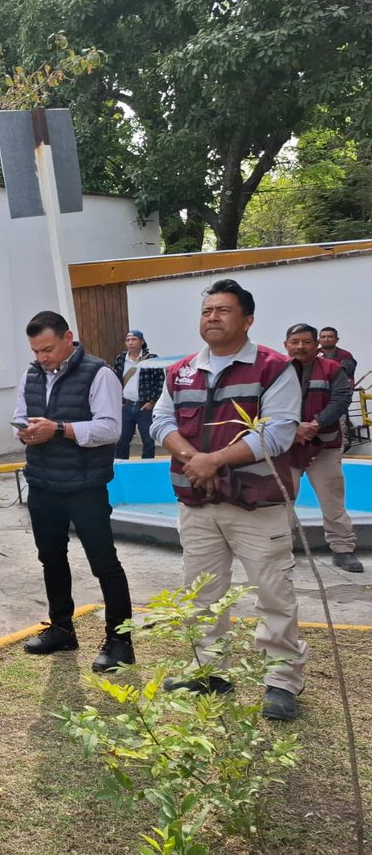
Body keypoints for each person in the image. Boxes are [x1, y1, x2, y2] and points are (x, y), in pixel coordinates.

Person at [152, 278, 307, 721]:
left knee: (273, 592)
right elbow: (161, 421)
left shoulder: (273, 368)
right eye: (207, 311)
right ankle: (207, 671)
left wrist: (214, 459)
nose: (212, 317)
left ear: (247, 319)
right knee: (201, 593)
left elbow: (277, 432)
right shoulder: (181, 370)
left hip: (258, 505)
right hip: (198, 504)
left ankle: (281, 680)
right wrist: (193, 459)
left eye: (223, 310)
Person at [15, 312, 133, 672]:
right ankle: (62, 627)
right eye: (36, 351)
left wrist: (59, 429)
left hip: (85, 486)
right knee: (51, 558)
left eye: (47, 349)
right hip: (43, 484)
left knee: (104, 563)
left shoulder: (99, 374)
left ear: (69, 338)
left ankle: (120, 641)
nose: (42, 357)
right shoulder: (30, 375)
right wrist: (25, 432)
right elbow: (21, 416)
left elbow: (110, 428)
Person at [284, 323, 362, 573]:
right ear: (285, 345)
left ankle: (343, 550)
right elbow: (265, 404)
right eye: (295, 342)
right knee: (280, 501)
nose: (300, 347)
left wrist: (316, 424)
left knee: (333, 500)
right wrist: (293, 428)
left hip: (324, 444)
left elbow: (341, 399)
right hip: (287, 446)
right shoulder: (275, 371)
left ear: (317, 344)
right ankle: (281, 552)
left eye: (307, 341)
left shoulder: (332, 368)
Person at [113, 330, 161, 460]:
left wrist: (152, 401)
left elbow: (160, 382)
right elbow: (115, 380)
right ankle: (121, 467)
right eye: (128, 340)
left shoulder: (152, 359)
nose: (130, 343)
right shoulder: (121, 358)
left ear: (142, 341)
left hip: (144, 406)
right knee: (122, 440)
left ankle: (147, 467)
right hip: (126, 406)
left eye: (134, 339)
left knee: (148, 440)